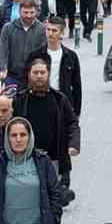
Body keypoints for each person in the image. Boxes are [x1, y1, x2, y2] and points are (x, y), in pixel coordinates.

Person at [11, 55, 81, 196]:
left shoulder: (59, 99)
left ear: (48, 74)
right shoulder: (20, 100)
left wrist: (73, 144)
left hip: (54, 158)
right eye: (35, 73)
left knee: (52, 198)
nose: (39, 76)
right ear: (29, 75)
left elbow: (72, 123)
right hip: (28, 159)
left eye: (42, 73)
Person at [36, 17, 83, 116]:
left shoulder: (71, 56)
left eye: (54, 30)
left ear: (62, 33)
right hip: (41, 100)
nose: (50, 33)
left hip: (63, 102)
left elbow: (76, 86)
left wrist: (77, 112)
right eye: (48, 30)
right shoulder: (36, 55)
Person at [0, 0, 47, 89]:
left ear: (36, 12)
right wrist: (1, 69)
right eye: (25, 12)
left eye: (32, 13)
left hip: (33, 76)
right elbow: (3, 50)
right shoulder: (8, 28)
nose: (28, 16)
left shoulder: (42, 29)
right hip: (12, 75)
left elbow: (44, 53)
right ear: (19, 12)